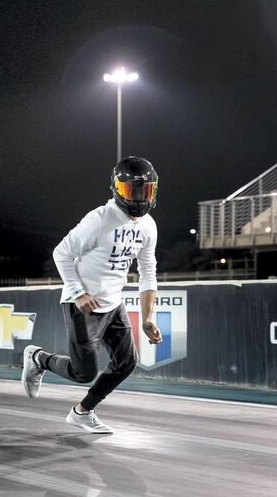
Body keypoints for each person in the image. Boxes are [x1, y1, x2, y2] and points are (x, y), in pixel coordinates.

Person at [22, 156, 162, 434]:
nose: (138, 198)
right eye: (131, 191)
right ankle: (39, 359)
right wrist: (77, 292)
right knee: (83, 372)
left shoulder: (148, 226)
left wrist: (147, 318)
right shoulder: (99, 219)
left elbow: (148, 272)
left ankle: (82, 412)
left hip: (113, 304)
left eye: (144, 191)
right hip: (82, 305)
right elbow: (61, 253)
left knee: (127, 362)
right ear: (117, 189)